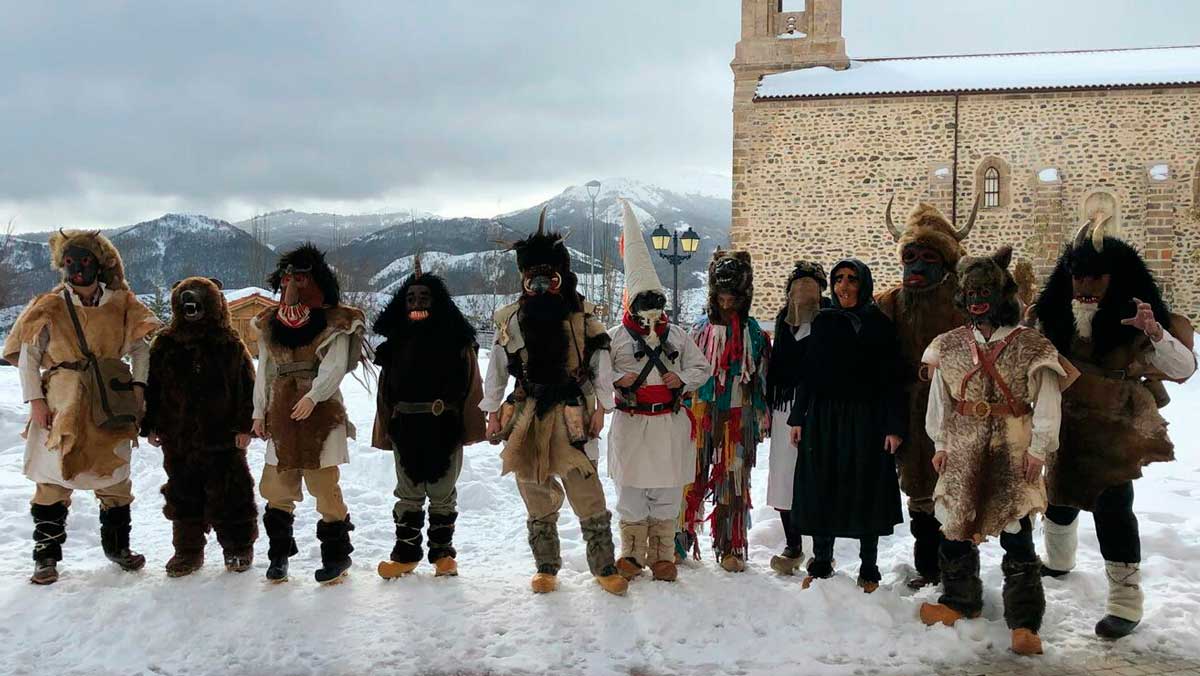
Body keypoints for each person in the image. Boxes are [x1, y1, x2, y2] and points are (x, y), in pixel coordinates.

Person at [1031, 214, 1196, 639]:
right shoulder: (1051, 317)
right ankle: (1059, 561)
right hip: (1066, 421)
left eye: (1096, 279)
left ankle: (1125, 602)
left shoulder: (1138, 321)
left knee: (1112, 507)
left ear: (1115, 281)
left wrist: (1155, 333)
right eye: (1078, 278)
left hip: (1114, 424)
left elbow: (1184, 367)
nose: (1085, 289)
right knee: (1060, 494)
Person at [918, 246, 1076, 656]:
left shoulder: (1030, 345)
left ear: (1002, 294)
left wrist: (1040, 449)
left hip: (1013, 445)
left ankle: (1024, 623)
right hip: (964, 443)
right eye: (970, 293)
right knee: (954, 527)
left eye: (985, 291)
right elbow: (941, 400)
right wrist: (940, 443)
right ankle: (959, 601)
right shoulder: (949, 344)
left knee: (1017, 533)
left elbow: (1046, 400)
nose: (977, 299)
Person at [481, 209, 627, 596]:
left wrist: (601, 409)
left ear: (562, 278)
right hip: (527, 411)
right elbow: (497, 369)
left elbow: (601, 366)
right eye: (534, 279)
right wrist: (493, 413)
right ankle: (546, 566)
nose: (542, 286)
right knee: (533, 488)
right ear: (525, 280)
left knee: (586, 490)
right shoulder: (510, 320)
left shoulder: (582, 320)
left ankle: (603, 565)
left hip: (573, 413)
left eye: (550, 278)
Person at [3, 229, 160, 584]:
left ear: (99, 264)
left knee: (115, 478)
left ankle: (117, 548)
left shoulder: (122, 302)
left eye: (85, 260)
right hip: (63, 400)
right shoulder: (50, 304)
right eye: (70, 261)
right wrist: (36, 402)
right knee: (53, 479)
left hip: (111, 397)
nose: (77, 268)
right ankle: (46, 557)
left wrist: (138, 387)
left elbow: (140, 349)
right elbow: (29, 357)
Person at [607, 201, 711, 583]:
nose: (650, 310)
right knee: (632, 491)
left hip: (667, 422)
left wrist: (681, 379)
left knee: (666, 490)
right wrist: (618, 378)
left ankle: (663, 555)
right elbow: (597, 374)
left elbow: (702, 367)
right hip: (631, 423)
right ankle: (631, 555)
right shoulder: (615, 340)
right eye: (643, 302)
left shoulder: (679, 336)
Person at [251, 244, 367, 584]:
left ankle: (336, 557)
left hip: (322, 412)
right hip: (282, 411)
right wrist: (259, 412)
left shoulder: (335, 321)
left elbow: (333, 366)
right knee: (277, 486)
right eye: (289, 278)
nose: (292, 285)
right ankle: (279, 555)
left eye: (300, 278)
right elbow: (265, 372)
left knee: (324, 486)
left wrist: (315, 396)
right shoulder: (270, 324)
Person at [875, 198, 976, 589]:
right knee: (919, 490)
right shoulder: (889, 304)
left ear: (946, 263)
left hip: (959, 412)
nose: (916, 265)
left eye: (928, 256)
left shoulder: (966, 305)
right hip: (910, 413)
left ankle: (959, 574)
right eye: (910, 255)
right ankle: (929, 568)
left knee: (958, 491)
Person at [788, 259, 903, 593]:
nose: (844, 286)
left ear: (863, 284)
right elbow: (809, 373)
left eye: (851, 279)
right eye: (838, 280)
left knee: (865, 487)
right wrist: (798, 417)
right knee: (822, 486)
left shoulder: (880, 324)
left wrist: (893, 426)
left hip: (867, 420)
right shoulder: (822, 322)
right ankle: (822, 562)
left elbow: (892, 380)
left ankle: (869, 568)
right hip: (824, 418)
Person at [371, 257, 486, 578]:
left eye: (424, 298)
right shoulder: (393, 346)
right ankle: (406, 554)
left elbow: (471, 386)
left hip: (444, 426)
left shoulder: (457, 344)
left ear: (438, 303)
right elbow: (384, 393)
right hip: (405, 427)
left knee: (442, 492)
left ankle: (442, 554)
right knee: (407, 492)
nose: (417, 303)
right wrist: (385, 429)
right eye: (410, 298)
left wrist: (471, 426)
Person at [142, 276, 258, 577]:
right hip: (177, 437)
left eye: (197, 303)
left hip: (223, 438)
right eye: (186, 303)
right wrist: (150, 423)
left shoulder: (230, 344)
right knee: (183, 494)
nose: (191, 308)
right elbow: (152, 387)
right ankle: (188, 551)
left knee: (231, 494)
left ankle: (238, 547)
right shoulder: (164, 345)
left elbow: (248, 389)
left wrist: (246, 426)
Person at [679, 249, 771, 572]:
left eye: (733, 296)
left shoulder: (754, 333)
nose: (726, 301)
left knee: (732, 479)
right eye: (721, 295)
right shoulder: (700, 329)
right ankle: (680, 536)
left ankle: (730, 545)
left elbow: (761, 378)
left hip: (737, 415)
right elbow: (687, 372)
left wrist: (759, 415)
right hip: (701, 413)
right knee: (691, 476)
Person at [764, 260, 827, 575]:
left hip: (817, 408)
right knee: (784, 476)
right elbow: (776, 366)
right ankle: (793, 542)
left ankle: (821, 549)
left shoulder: (829, 320)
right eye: (797, 286)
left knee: (814, 475)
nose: (802, 293)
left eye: (810, 286)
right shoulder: (782, 321)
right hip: (784, 406)